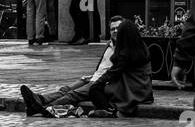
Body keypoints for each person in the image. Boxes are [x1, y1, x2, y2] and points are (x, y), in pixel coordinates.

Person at [20, 17, 152, 118]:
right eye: (113, 29)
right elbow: (104, 67)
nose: (116, 31)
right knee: (67, 89)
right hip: (97, 77)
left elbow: (114, 71)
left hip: (106, 81)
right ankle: (41, 99)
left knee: (74, 94)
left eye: (119, 29)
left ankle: (45, 108)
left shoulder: (126, 49)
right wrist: (93, 75)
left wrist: (98, 80)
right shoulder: (111, 45)